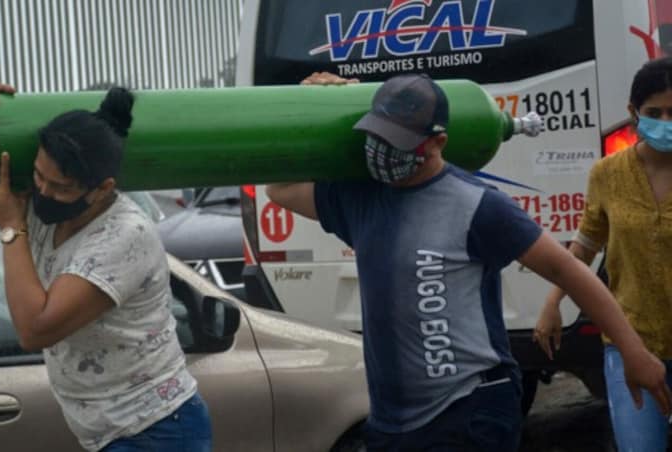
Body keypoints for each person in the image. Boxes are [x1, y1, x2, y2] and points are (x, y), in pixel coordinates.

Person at [267, 71, 672, 452]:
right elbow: (279, 188)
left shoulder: (477, 205)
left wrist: (632, 352)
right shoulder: (361, 199)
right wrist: (318, 104)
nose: (384, 152)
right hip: (393, 423)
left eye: (399, 142)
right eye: (378, 137)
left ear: (437, 142)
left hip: (469, 409)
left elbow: (568, 269)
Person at [0, 78, 212, 452]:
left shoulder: (124, 236)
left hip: (155, 428)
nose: (44, 192)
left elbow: (35, 330)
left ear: (102, 189)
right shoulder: (40, 211)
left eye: (61, 187)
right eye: (40, 177)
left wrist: (11, 228)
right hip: (109, 431)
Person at [533, 57, 672, 451]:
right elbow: (587, 244)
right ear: (633, 114)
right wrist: (552, 301)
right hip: (630, 340)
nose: (665, 121)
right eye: (654, 113)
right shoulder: (608, 174)